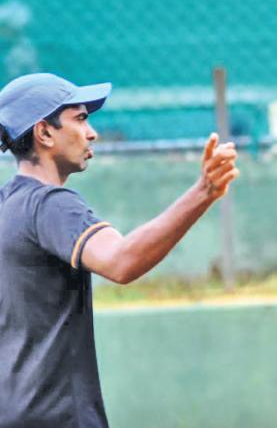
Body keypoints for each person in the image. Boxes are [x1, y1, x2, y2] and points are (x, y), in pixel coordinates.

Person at [0, 73, 239, 428]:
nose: (92, 132)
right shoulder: (51, 205)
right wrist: (203, 192)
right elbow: (122, 261)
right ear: (44, 133)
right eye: (80, 119)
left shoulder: (7, 205)